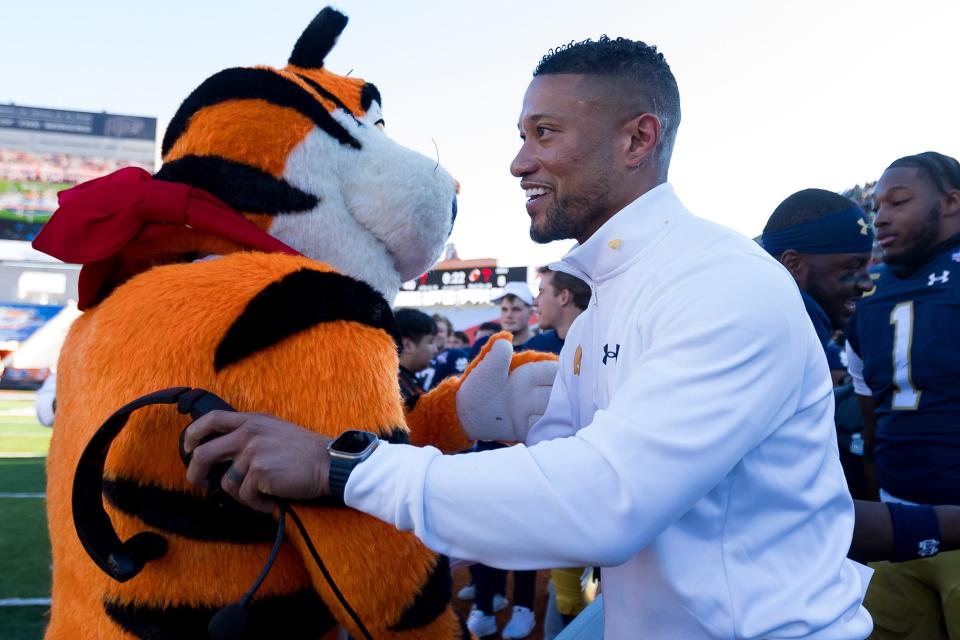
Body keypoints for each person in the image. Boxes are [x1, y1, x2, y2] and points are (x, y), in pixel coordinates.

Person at [185, 36, 872, 638]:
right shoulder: (605, 302)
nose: (518, 162)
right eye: (522, 134)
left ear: (638, 140)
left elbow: (603, 501)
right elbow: (550, 475)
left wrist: (339, 467)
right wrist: (464, 420)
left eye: (544, 133)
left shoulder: (722, 283)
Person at [845, 152, 960, 639]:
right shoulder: (873, 301)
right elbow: (871, 422)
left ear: (951, 202)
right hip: (901, 525)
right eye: (876, 206)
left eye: (898, 201)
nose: (881, 216)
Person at [760, 188, 875, 499]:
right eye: (852, 268)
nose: (866, 283)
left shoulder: (786, 322)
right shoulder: (781, 337)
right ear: (794, 265)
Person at [525, 266, 591, 354]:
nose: (535, 302)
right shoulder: (534, 347)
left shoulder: (605, 348)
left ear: (563, 297)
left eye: (541, 292)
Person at [394, 308, 438, 404]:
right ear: (407, 345)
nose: (435, 349)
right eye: (431, 342)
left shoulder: (406, 380)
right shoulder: (395, 387)